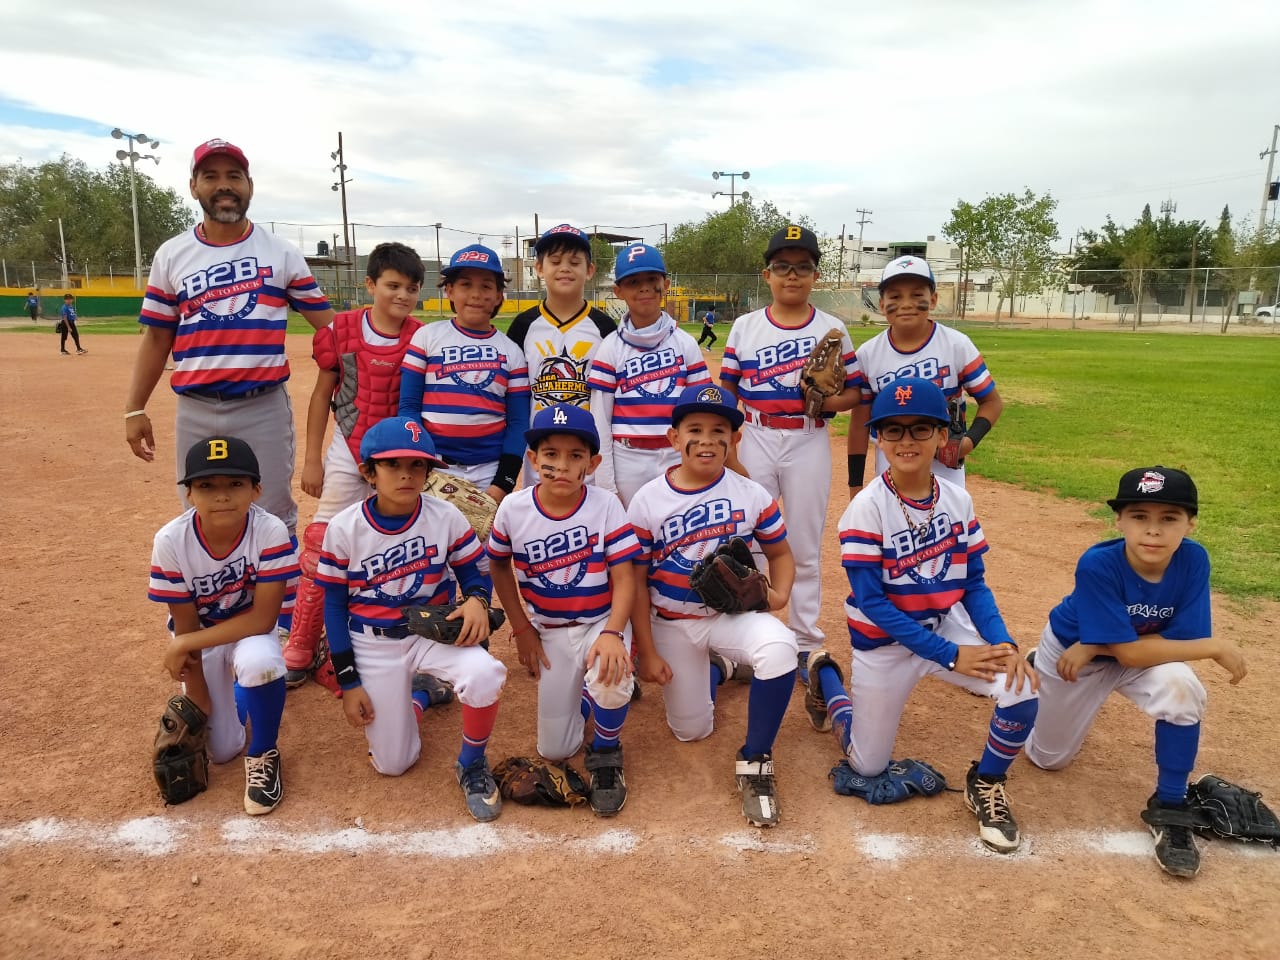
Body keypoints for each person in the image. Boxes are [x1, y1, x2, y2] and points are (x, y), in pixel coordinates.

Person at [805, 377, 1039, 853]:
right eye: (892, 431)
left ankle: (986, 783)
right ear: (878, 438)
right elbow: (873, 604)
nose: (906, 441)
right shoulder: (866, 509)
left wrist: (1003, 642)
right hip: (885, 643)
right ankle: (826, 679)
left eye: (919, 429)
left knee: (1021, 687)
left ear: (941, 436)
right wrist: (952, 656)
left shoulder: (957, 499)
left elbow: (974, 582)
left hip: (943, 628)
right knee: (867, 767)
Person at [1025, 466, 1246, 878]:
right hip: (1077, 657)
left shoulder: (1194, 559)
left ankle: (1171, 804)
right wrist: (1216, 646)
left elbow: (1173, 640)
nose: (1154, 531)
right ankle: (1039, 663)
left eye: (1169, 519)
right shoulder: (1098, 563)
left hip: (1124, 650)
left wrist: (1099, 639)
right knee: (1049, 759)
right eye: (1140, 516)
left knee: (1183, 689)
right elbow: (1130, 653)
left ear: (1190, 524)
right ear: (1119, 521)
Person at [124, 138, 335, 546]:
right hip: (195, 407)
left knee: (273, 513)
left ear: (249, 186)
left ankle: (279, 607)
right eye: (211, 176)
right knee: (200, 512)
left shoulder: (280, 253)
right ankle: (208, 604)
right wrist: (134, 408)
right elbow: (156, 337)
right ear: (194, 186)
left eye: (234, 176)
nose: (224, 185)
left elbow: (329, 327)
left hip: (263, 406)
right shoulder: (172, 254)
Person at [284, 242, 453, 707]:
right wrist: (313, 459)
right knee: (322, 543)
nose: (402, 295)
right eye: (392, 285)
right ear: (370, 283)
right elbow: (322, 396)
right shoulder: (341, 330)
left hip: (399, 458)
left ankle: (415, 647)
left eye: (411, 288)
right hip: (348, 445)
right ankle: (300, 644)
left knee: (413, 543)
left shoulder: (421, 336)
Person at [315, 416, 508, 822]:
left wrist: (475, 599)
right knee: (394, 764)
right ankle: (419, 697)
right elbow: (333, 607)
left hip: (428, 633)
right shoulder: (344, 528)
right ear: (368, 472)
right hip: (373, 642)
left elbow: (476, 573)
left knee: (485, 673)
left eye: (417, 465)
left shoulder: (445, 516)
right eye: (392, 465)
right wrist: (349, 683)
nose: (406, 474)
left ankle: (471, 763)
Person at [627, 384, 799, 828]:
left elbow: (780, 555)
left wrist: (777, 597)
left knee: (780, 648)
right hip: (672, 622)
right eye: (694, 429)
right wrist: (645, 651)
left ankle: (755, 758)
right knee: (691, 731)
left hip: (731, 617)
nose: (706, 440)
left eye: (718, 430)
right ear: (673, 437)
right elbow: (636, 581)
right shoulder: (648, 500)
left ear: (734, 440)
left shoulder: (752, 494)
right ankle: (719, 669)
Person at [719, 225, 863, 683]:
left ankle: (805, 642)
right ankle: (749, 636)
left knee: (802, 542)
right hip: (756, 435)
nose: (792, 275)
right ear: (767, 274)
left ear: (815, 275)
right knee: (749, 536)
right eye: (783, 266)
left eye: (803, 267)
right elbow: (727, 389)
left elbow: (856, 394)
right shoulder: (746, 327)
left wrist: (823, 402)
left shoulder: (832, 329)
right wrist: (728, 443)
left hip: (807, 439)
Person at [487, 404, 641, 816]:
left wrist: (613, 633)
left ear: (592, 464)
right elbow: (498, 564)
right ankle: (590, 697)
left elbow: (626, 577)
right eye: (550, 454)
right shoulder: (513, 508)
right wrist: (521, 627)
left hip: (599, 623)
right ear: (533, 459)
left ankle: (607, 752)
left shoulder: (605, 505)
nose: (561, 465)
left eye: (575, 456)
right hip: (550, 629)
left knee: (611, 675)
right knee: (555, 749)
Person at [148, 436, 299, 815]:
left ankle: (264, 753)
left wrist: (184, 645)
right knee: (222, 750)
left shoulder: (270, 531)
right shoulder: (170, 541)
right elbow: (186, 627)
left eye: (235, 484)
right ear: (188, 494)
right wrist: (197, 691)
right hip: (199, 635)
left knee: (260, 663)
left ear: (256, 489)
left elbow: (264, 619)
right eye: (206, 486)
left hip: (252, 631)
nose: (222, 496)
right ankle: (240, 697)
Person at [847, 255, 1003, 497]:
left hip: (943, 466)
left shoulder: (955, 345)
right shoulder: (868, 354)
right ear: (880, 304)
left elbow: (991, 401)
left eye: (917, 295)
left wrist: (969, 442)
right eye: (895, 296)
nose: (906, 303)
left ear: (933, 299)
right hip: (892, 461)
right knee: (893, 528)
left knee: (947, 527)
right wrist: (855, 485)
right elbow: (859, 423)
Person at [398, 244, 530, 502]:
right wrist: (419, 462)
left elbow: (518, 423)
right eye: (465, 284)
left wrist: (502, 482)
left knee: (485, 542)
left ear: (499, 295)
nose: (476, 294)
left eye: (486, 286)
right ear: (449, 290)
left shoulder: (511, 351)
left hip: (488, 470)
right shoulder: (427, 336)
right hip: (435, 466)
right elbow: (409, 407)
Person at [587, 243, 711, 506]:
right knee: (633, 539)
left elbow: (703, 410)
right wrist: (607, 486)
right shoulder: (610, 347)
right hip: (628, 458)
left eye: (651, 279)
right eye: (633, 282)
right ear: (618, 291)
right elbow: (600, 419)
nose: (644, 287)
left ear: (665, 284)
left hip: (678, 454)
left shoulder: (685, 343)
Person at [508, 223, 616, 483]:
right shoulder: (523, 326)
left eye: (574, 262)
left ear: (589, 270)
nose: (565, 268)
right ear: (539, 268)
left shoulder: (604, 327)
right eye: (555, 261)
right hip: (541, 455)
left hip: (588, 452)